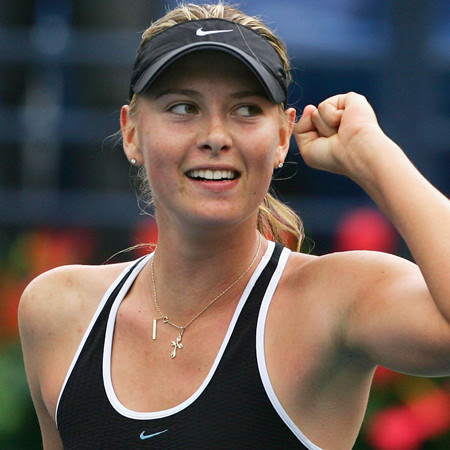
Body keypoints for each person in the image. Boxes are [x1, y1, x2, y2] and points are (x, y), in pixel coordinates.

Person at [18, 2, 450, 449]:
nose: (215, 136)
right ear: (131, 132)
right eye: (184, 107)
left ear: (282, 136)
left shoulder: (330, 300)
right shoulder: (58, 310)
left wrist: (373, 155)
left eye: (245, 109)